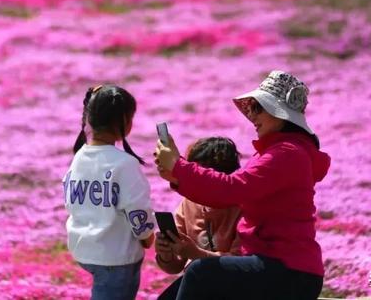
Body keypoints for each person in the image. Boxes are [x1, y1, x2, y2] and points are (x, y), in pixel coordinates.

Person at [155, 70, 331, 300]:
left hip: (289, 271)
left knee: (201, 273)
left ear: (281, 114)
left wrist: (178, 168)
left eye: (257, 107)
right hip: (272, 266)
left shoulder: (288, 153)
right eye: (250, 108)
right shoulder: (280, 152)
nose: (251, 115)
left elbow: (232, 189)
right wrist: (175, 173)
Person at [63, 84, 156, 300]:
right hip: (117, 257)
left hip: (85, 249)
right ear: (124, 121)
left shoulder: (79, 157)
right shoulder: (124, 164)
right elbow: (137, 209)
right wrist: (146, 237)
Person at [154, 137, 242, 300]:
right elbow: (176, 265)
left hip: (232, 286)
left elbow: (242, 265)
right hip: (197, 281)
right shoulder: (188, 203)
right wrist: (166, 254)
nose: (192, 185)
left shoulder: (244, 208)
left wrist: (197, 253)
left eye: (198, 178)